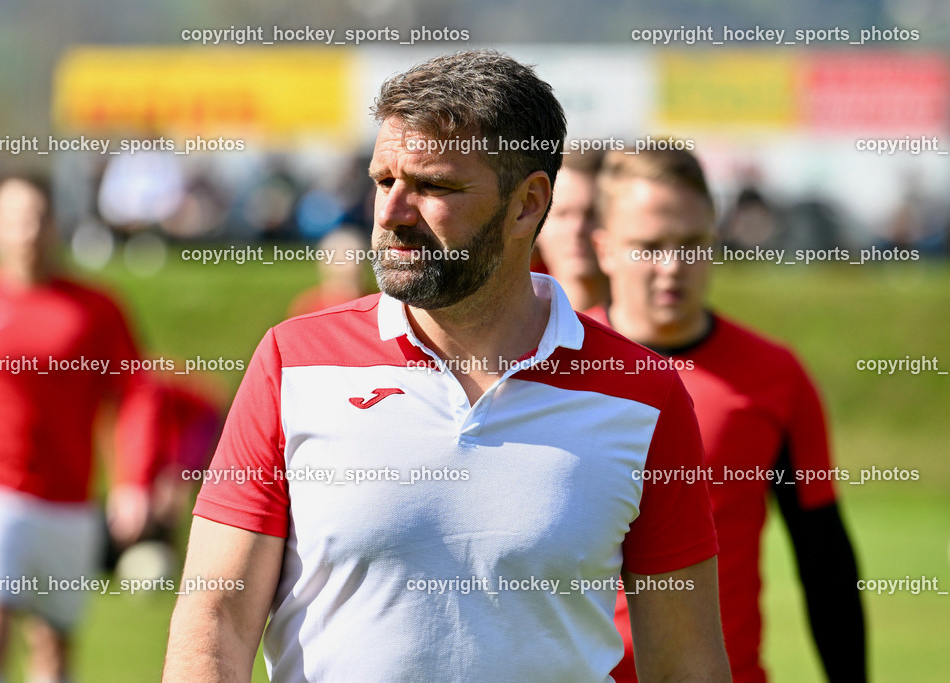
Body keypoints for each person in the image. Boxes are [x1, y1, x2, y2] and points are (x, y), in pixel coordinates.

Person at [163, 50, 730, 682]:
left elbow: (686, 664)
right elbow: (214, 621)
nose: (391, 213)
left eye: (433, 187)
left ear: (526, 206)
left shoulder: (643, 393)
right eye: (384, 182)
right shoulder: (291, 363)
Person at [587, 148, 866, 682]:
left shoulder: (774, 375)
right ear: (604, 249)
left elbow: (824, 557)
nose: (672, 267)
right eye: (648, 247)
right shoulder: (553, 369)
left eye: (691, 244)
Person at [0, 174, 156, 683]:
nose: (26, 229)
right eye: (14, 217)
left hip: (69, 502)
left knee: (52, 650)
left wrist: (132, 480)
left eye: (36, 217)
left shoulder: (96, 310)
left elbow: (137, 396)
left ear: (54, 226)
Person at [534, 148, 610, 310]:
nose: (577, 228)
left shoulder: (648, 329)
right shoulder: (506, 323)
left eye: (592, 214)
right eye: (562, 214)